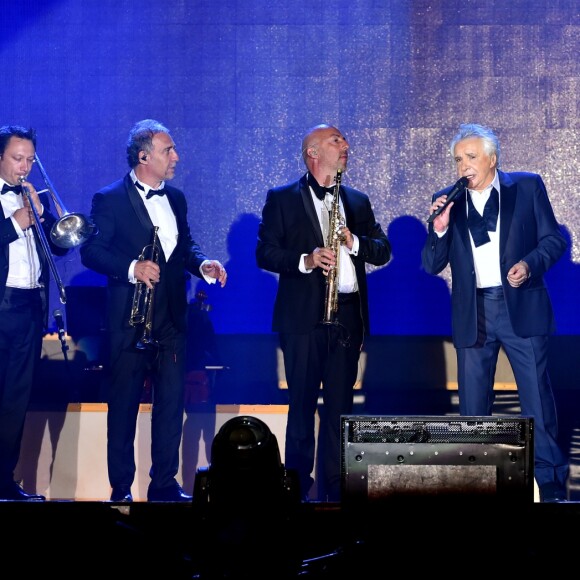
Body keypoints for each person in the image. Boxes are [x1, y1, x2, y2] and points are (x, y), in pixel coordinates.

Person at [80, 119, 227, 502]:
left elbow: (185, 247)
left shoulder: (176, 198)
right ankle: (121, 489)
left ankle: (164, 483)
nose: (176, 156)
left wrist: (202, 264)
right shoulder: (109, 198)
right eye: (168, 150)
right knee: (124, 406)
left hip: (171, 320)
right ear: (144, 156)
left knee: (170, 404)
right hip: (129, 321)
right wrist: (132, 268)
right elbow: (91, 251)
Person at [421, 122, 569, 503]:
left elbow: (553, 239)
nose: (463, 166)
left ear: (492, 159)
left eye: (471, 157)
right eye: (458, 160)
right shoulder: (448, 200)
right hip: (474, 310)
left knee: (535, 396)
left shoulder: (527, 186)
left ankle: (548, 480)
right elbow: (430, 265)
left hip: (519, 303)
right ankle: (477, 476)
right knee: (473, 403)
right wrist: (438, 229)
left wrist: (529, 264)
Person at [256, 123, 391, 501]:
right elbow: (264, 252)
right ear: (313, 152)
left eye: (344, 139)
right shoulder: (282, 198)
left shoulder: (358, 200)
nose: (345, 144)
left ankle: (336, 487)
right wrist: (307, 259)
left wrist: (355, 241)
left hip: (346, 317)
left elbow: (382, 249)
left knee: (340, 408)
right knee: (301, 405)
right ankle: (297, 488)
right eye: (336, 140)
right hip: (303, 318)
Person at [0, 125, 70, 501]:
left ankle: (4, 482)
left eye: (30, 159)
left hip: (29, 308)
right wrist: (14, 224)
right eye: (17, 158)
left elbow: (62, 247)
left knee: (16, 400)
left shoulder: (33, 197)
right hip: (1, 303)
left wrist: (43, 213)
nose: (24, 167)